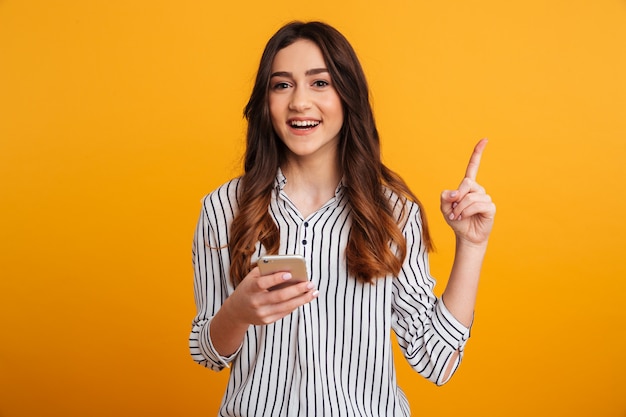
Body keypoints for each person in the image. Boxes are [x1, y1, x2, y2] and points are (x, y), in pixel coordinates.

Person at [189, 20, 496, 417]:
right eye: (282, 85)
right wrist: (238, 312)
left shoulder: (392, 213)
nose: (299, 102)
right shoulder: (223, 209)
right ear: (266, 101)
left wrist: (471, 246)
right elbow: (208, 353)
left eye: (320, 83)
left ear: (348, 95)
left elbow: (436, 360)